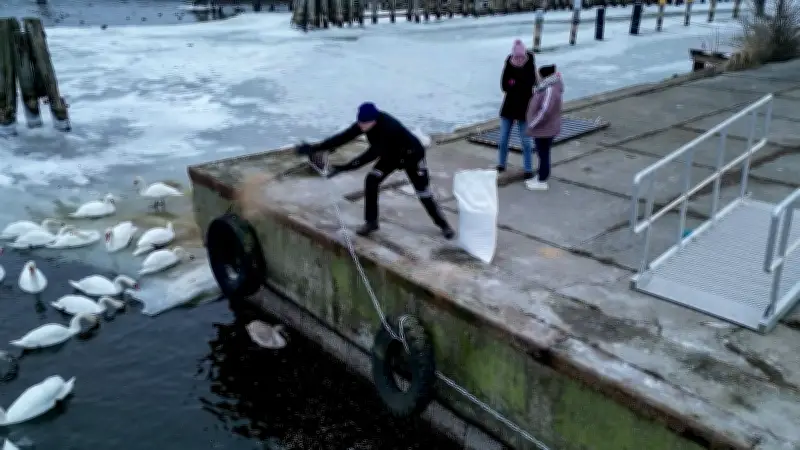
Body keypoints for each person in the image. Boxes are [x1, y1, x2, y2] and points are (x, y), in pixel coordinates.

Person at [296, 102, 455, 239]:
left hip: (412, 156)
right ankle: (371, 222)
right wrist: (313, 148)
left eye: (366, 123)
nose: (362, 126)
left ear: (375, 119)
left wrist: (344, 167)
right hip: (390, 155)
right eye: (360, 123)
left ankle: (444, 225)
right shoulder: (363, 123)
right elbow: (342, 138)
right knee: (371, 181)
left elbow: (369, 156)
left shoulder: (388, 127)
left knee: (423, 193)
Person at [497, 39, 537, 181]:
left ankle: (528, 169)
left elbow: (531, 82)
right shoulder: (508, 63)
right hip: (509, 106)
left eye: (521, 56)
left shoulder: (530, 63)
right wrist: (515, 84)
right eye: (516, 56)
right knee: (503, 139)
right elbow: (504, 85)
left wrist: (514, 83)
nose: (519, 59)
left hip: (525, 108)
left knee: (526, 141)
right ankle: (501, 164)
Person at [525, 64, 564, 191]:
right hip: (546, 127)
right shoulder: (548, 86)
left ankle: (542, 180)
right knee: (543, 153)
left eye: (538, 74)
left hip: (545, 128)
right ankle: (541, 175)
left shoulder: (549, 90)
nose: (537, 76)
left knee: (543, 153)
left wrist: (532, 123)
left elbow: (545, 111)